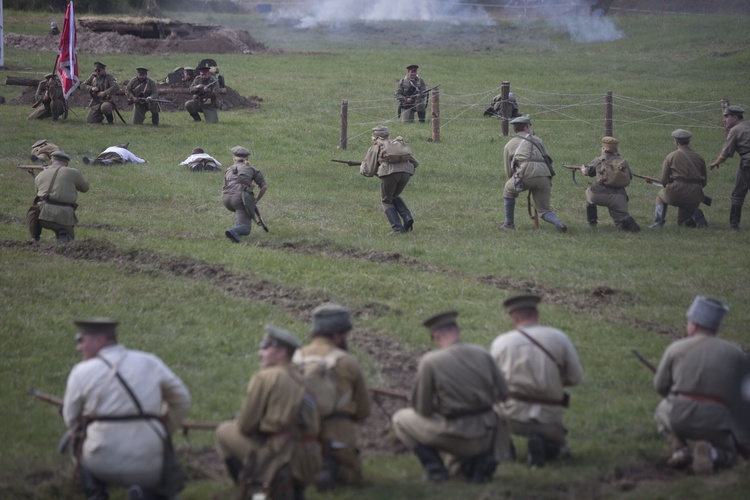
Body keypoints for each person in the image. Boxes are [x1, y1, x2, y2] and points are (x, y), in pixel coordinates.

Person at [62, 317, 191, 499]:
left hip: (101, 463)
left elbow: (71, 421)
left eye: (82, 341)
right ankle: (150, 495)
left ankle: (96, 494)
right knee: (164, 456)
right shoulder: (150, 362)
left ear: (99, 340)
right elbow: (182, 399)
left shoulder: (81, 372)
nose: (79, 347)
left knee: (77, 441)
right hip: (149, 463)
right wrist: (166, 428)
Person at [392, 311, 509, 483]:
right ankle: (479, 462)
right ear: (458, 331)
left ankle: (436, 472)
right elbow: (504, 393)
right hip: (489, 434)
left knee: (400, 419)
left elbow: (423, 409)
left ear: (436, 336)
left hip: (460, 437)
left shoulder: (431, 361)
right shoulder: (482, 353)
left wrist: (438, 405)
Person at [215, 326, 321, 499]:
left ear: (282, 352)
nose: (260, 352)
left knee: (223, 431)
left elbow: (246, 425)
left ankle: (251, 486)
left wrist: (253, 424)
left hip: (281, 456)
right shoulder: (304, 380)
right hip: (308, 459)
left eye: (265, 347)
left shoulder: (266, 376)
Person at [654, 295, 750, 475]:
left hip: (678, 415)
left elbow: (660, 387)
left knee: (661, 409)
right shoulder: (736, 354)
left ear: (694, 324)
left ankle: (680, 449)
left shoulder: (675, 348)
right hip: (717, 421)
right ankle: (713, 454)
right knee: (732, 455)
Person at [490, 294, 583, 468]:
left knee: (491, 409)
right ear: (536, 314)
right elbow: (575, 378)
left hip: (512, 419)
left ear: (514, 318)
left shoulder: (501, 343)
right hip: (549, 418)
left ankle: (504, 449)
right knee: (557, 445)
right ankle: (544, 443)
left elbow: (491, 384)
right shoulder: (559, 338)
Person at [293, 304, 371, 491]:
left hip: (302, 441)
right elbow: (363, 411)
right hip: (338, 439)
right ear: (337, 335)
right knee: (349, 471)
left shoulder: (295, 359)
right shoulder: (348, 363)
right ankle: (332, 467)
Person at [501, 115, 567, 232]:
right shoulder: (538, 140)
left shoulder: (510, 145)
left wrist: (515, 180)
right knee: (543, 210)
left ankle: (509, 224)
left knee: (508, 190)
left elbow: (509, 170)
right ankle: (559, 222)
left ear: (515, 129)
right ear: (526, 127)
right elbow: (547, 158)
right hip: (544, 175)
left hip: (525, 174)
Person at [359, 126, 418, 235]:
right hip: (406, 174)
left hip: (389, 174)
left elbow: (370, 171)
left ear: (375, 136)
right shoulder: (397, 144)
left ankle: (397, 229)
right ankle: (407, 216)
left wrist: (362, 168)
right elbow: (415, 163)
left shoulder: (376, 147)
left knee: (386, 200)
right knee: (394, 196)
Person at [578, 136, 640, 232]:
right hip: (619, 196)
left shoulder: (598, 160)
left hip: (598, 194)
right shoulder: (623, 161)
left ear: (603, 148)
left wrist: (583, 170)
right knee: (620, 223)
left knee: (588, 192)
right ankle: (627, 222)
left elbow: (588, 172)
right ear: (616, 149)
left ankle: (592, 222)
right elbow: (630, 177)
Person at [650, 129, 709, 228]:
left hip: (677, 192)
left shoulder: (671, 156)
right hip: (695, 195)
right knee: (682, 224)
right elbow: (704, 181)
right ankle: (696, 216)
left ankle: (658, 222)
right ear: (689, 142)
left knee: (660, 197)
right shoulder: (699, 157)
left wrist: (667, 184)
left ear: (676, 142)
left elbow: (663, 180)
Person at [29, 150, 89, 243]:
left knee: (35, 209)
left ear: (51, 161)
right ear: (66, 163)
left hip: (41, 216)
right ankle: (63, 234)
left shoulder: (40, 174)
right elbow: (85, 188)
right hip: (64, 217)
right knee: (69, 242)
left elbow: (37, 195)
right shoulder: (73, 172)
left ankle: (35, 235)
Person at [708, 105, 750, 230]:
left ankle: (734, 226)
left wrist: (715, 163)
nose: (724, 119)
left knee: (737, 196)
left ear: (735, 117)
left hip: (747, 166)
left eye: (727, 116)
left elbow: (725, 154)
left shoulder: (736, 130)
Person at [221, 146, 267, 243]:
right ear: (247, 158)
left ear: (234, 158)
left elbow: (226, 184)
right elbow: (264, 187)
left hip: (225, 198)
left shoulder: (229, 169)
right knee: (246, 229)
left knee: (239, 211)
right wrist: (257, 199)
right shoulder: (252, 168)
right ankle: (233, 231)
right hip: (239, 198)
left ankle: (236, 235)